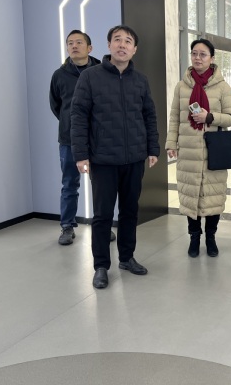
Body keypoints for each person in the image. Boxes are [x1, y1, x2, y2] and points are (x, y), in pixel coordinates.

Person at [70, 25, 160, 289]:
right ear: (108, 45)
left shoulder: (140, 80)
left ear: (134, 49)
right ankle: (101, 266)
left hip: (134, 158)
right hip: (103, 159)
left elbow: (149, 115)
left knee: (130, 211)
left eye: (128, 41)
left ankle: (127, 257)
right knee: (102, 215)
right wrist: (81, 154)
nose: (122, 45)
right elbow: (78, 116)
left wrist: (152, 148)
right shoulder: (90, 77)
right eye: (117, 40)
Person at [165, 38, 231, 258]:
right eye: (194, 53)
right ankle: (194, 237)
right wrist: (171, 143)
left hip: (214, 151)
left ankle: (211, 238)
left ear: (212, 58)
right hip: (188, 151)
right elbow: (175, 117)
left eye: (203, 54)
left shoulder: (222, 87)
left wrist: (210, 117)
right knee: (190, 196)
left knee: (213, 196)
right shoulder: (181, 86)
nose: (197, 58)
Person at [49, 30, 115, 245]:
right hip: (69, 139)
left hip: (98, 138)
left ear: (90, 48)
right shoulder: (59, 75)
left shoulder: (103, 71)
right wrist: (71, 123)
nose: (74, 46)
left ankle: (103, 226)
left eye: (79, 42)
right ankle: (67, 226)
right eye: (70, 43)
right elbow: (57, 106)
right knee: (69, 184)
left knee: (101, 186)